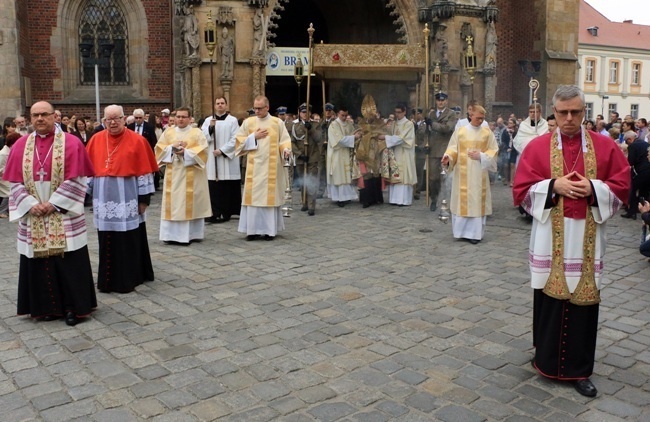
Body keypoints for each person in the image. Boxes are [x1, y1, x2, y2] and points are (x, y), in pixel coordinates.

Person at [513, 85, 630, 398]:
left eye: (575, 112)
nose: (568, 118)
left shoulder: (605, 147)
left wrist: (594, 189)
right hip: (549, 235)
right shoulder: (537, 147)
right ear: (554, 111)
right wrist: (554, 186)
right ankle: (545, 359)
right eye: (562, 112)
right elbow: (521, 190)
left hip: (587, 237)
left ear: (583, 113)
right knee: (549, 299)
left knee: (583, 305)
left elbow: (621, 186)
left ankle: (580, 370)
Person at [3, 101, 96, 326]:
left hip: (62, 212)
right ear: (30, 118)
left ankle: (73, 307)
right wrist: (29, 204)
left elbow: (78, 179)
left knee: (68, 260)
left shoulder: (71, 143)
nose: (40, 119)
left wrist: (54, 204)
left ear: (55, 116)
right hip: (33, 211)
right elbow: (14, 181)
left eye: (45, 114)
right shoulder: (21, 145)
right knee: (38, 261)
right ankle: (45, 307)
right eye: (35, 115)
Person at [86, 104, 159, 293]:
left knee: (130, 238)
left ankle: (131, 276)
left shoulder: (137, 141)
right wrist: (84, 193)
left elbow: (144, 173)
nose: (112, 122)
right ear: (104, 121)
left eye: (116, 118)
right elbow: (88, 172)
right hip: (104, 199)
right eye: (108, 119)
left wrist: (144, 199)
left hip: (128, 196)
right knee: (106, 238)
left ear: (124, 119)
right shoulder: (95, 139)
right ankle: (108, 280)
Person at [235, 96, 292, 240]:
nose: (257, 110)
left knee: (269, 199)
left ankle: (269, 231)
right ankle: (252, 231)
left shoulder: (277, 123)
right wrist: (253, 136)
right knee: (254, 200)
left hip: (271, 168)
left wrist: (286, 150)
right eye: (255, 108)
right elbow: (238, 143)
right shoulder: (248, 123)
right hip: (254, 169)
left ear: (267, 107)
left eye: (260, 108)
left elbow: (284, 140)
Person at [441, 105, 498, 244]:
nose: (480, 121)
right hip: (462, 174)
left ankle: (474, 234)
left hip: (479, 173)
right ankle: (460, 232)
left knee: (476, 201)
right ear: (471, 115)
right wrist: (448, 157)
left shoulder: (486, 133)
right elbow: (453, 148)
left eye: (482, 119)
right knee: (462, 200)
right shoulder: (460, 132)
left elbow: (494, 150)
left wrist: (482, 156)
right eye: (478, 118)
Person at [155, 107, 211, 244]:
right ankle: (170, 236)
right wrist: (171, 148)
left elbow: (204, 151)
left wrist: (186, 153)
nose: (180, 119)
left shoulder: (197, 133)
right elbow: (158, 150)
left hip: (191, 175)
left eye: (183, 117)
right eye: (178, 116)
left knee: (189, 203)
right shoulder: (168, 132)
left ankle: (190, 235)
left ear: (190, 118)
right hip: (173, 174)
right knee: (174, 203)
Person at [201, 97, 241, 223]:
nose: (220, 105)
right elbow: (202, 138)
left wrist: (223, 150)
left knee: (227, 186)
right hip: (213, 160)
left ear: (226, 105)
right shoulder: (208, 121)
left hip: (227, 158)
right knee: (214, 187)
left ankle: (227, 212)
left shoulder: (232, 120)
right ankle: (214, 212)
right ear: (214, 105)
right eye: (218, 103)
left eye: (222, 103)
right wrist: (210, 128)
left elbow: (236, 138)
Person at [289, 103, 322, 215]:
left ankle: (312, 206)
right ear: (299, 113)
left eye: (307, 112)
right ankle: (305, 202)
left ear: (310, 113)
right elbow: (292, 142)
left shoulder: (316, 125)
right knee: (303, 181)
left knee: (311, 180)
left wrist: (311, 129)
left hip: (312, 156)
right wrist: (299, 154)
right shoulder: (295, 126)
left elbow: (318, 138)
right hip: (301, 158)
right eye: (303, 112)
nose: (305, 114)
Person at [380, 104, 416, 206]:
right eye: (396, 112)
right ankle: (394, 199)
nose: (397, 114)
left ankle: (403, 200)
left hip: (404, 152)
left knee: (403, 175)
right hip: (394, 152)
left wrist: (385, 137)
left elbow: (401, 138)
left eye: (399, 112)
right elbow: (390, 134)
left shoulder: (408, 124)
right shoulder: (394, 124)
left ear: (404, 112)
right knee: (395, 173)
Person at [427, 92, 458, 211]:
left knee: (446, 177)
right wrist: (426, 143)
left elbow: (447, 128)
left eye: (443, 100)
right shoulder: (431, 114)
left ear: (446, 101)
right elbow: (427, 132)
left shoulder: (451, 114)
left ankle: (446, 201)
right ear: (436, 101)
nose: (440, 102)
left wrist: (433, 124)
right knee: (433, 178)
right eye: (438, 100)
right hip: (433, 149)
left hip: (445, 149)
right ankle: (434, 198)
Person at [327, 106, 360, 207]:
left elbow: (353, 134)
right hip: (337, 154)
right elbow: (338, 140)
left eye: (346, 115)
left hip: (347, 153)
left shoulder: (349, 124)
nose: (344, 117)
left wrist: (358, 135)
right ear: (337, 114)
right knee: (339, 175)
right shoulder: (333, 125)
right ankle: (339, 198)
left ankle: (347, 196)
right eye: (342, 115)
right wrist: (354, 137)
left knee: (347, 176)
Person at [621, 130, 650, 220]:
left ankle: (632, 212)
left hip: (640, 171)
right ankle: (646, 211)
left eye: (626, 141)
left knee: (632, 190)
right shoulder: (645, 143)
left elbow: (630, 162)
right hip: (648, 170)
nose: (627, 143)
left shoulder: (633, 146)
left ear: (629, 139)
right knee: (645, 192)